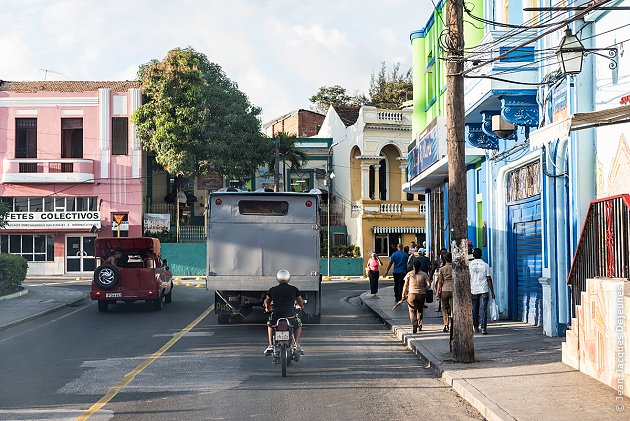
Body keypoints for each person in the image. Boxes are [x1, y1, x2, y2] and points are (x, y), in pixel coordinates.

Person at [264, 269, 305, 355]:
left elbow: (267, 301)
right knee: (299, 324)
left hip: (277, 315)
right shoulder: (294, 289)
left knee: (270, 324)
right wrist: (301, 306)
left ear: (277, 278)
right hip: (290, 316)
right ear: (288, 278)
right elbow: (300, 301)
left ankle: (271, 345)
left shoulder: (272, 290)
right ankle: (295, 344)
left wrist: (268, 308)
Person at [469, 248, 495, 335]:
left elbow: (468, 278)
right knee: (483, 309)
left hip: (473, 289)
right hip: (484, 289)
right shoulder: (485, 265)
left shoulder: (470, 265)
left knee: (474, 308)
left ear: (473, 255)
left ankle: (475, 326)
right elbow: (488, 279)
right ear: (481, 255)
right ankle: (483, 328)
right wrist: (492, 291)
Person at [402, 259, 431, 333]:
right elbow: (429, 285)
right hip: (421, 294)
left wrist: (403, 294)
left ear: (413, 266)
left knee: (412, 310)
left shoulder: (409, 274)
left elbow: (405, 285)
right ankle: (420, 325)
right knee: (420, 309)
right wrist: (424, 289)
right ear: (420, 266)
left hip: (411, 294)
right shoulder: (424, 274)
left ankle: (414, 324)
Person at [436, 252, 454, 332]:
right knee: (453, 308)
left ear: (445, 259)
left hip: (445, 290)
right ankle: (453, 322)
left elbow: (440, 281)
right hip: (454, 290)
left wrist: (437, 292)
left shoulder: (442, 269)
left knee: (444, 307)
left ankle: (446, 324)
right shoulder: (455, 268)